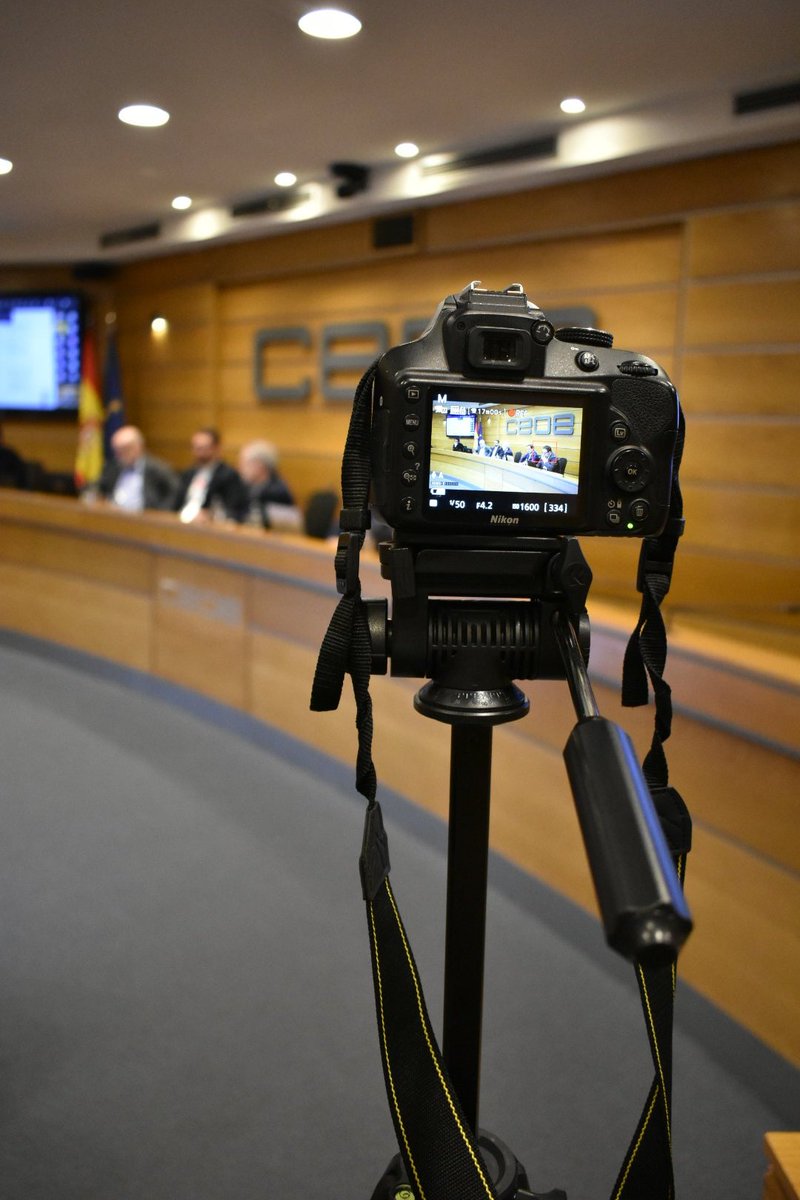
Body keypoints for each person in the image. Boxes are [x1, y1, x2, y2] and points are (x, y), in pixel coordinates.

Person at [99, 425, 180, 512]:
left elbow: (175, 491)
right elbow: (99, 486)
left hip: (143, 519)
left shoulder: (158, 468)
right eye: (116, 450)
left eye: (124, 450)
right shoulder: (113, 467)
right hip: (115, 516)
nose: (118, 455)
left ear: (137, 447)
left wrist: (161, 512)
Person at [174, 427, 247, 523]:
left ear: (216, 448)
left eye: (204, 448)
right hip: (183, 521)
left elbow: (234, 511)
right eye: (196, 448)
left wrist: (211, 516)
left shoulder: (229, 476)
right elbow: (176, 504)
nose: (199, 453)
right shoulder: (188, 473)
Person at [237, 440, 301, 530]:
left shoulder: (277, 492)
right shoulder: (248, 486)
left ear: (259, 465)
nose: (240, 468)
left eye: (244, 463)